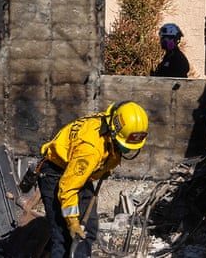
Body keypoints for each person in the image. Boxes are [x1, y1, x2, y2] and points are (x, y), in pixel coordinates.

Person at [37, 101, 149, 257]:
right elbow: (68, 187)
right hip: (56, 175)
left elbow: (107, 151)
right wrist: (73, 222)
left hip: (81, 175)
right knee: (63, 235)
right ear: (114, 131)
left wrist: (103, 168)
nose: (127, 150)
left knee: (87, 230)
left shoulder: (110, 122)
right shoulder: (90, 150)